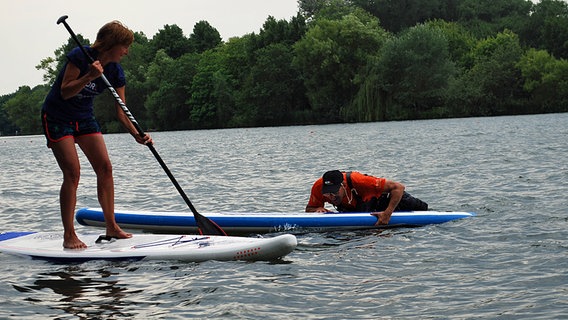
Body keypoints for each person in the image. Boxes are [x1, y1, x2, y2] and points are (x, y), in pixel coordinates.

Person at [41, 20, 152, 249]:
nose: (127, 51)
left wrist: (137, 134)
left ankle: (111, 226)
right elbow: (66, 91)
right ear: (111, 44)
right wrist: (89, 76)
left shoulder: (115, 71)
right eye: (124, 46)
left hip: (84, 118)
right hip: (57, 116)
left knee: (105, 168)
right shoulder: (79, 56)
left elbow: (122, 110)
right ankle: (69, 234)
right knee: (72, 173)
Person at [306, 170, 428, 225]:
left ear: (343, 185)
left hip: (390, 201)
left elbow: (398, 188)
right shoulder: (318, 187)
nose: (331, 197)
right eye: (327, 193)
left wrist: (387, 213)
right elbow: (309, 209)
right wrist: (317, 210)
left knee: (423, 209)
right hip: (363, 210)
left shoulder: (358, 180)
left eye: (334, 193)